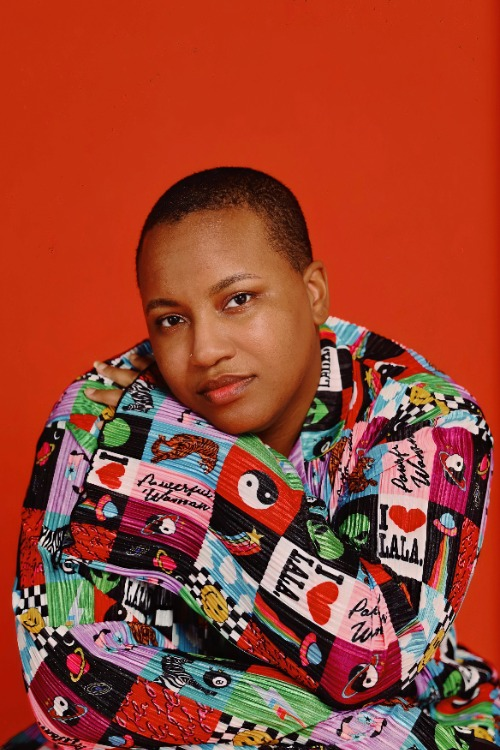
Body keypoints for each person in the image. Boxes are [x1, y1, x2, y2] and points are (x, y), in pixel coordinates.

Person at [8, 168, 499, 750]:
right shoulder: (98, 418)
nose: (205, 350)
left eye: (238, 300)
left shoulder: (426, 420)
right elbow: (64, 682)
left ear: (313, 293)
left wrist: (200, 465)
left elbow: (372, 659)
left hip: (417, 719)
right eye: (171, 320)